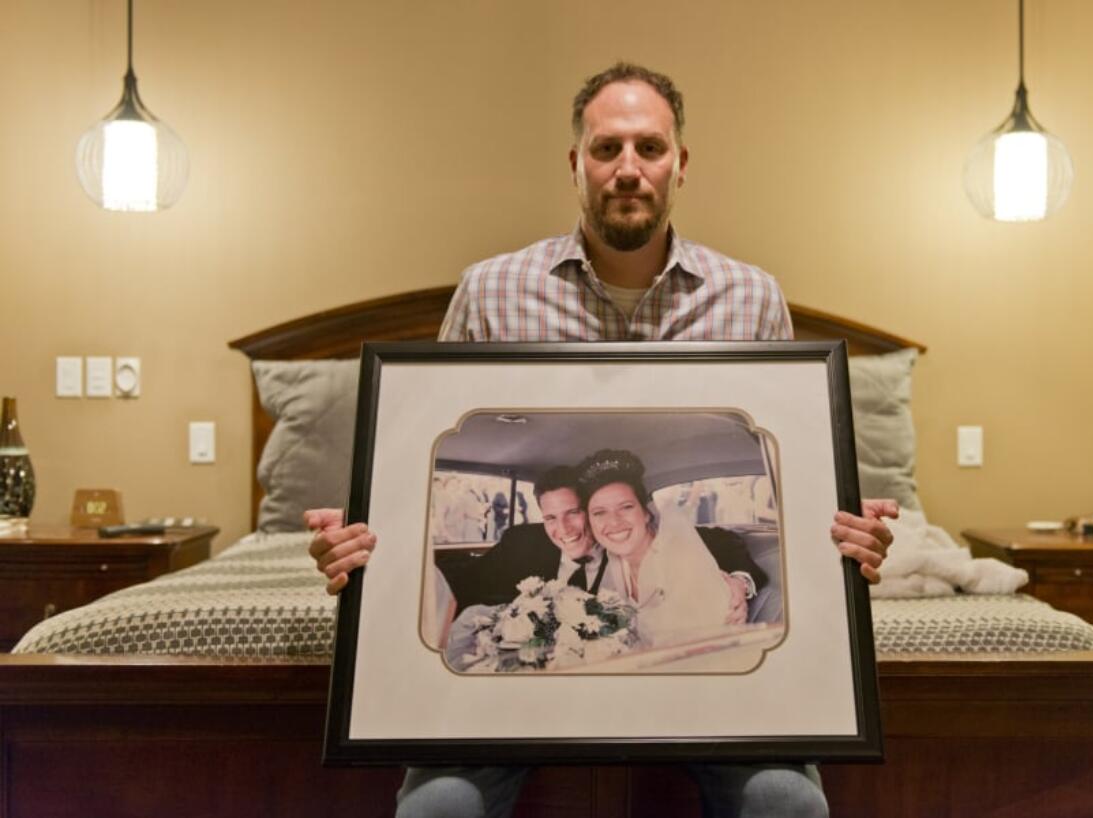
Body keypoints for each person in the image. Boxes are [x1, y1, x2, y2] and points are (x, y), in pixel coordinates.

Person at [307, 60, 897, 818]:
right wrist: (360, 544)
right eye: (606, 149)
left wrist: (844, 538)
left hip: (717, 701)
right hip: (513, 709)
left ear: (680, 165)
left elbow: (794, 488)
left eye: (649, 149)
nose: (628, 169)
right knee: (437, 811)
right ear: (575, 164)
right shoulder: (490, 291)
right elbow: (413, 473)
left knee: (789, 805)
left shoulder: (751, 297)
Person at [445, 465, 765, 621]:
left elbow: (723, 540)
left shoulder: (627, 544)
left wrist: (738, 580)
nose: (563, 529)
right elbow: (463, 585)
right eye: (550, 518)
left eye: (574, 513)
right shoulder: (523, 542)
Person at [575, 448, 732, 645]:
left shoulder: (681, 559)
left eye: (626, 507)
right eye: (599, 513)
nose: (614, 522)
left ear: (646, 513)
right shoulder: (613, 565)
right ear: (590, 522)